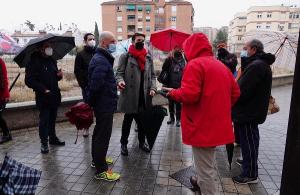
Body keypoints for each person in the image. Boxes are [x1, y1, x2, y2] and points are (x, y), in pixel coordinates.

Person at [164, 33, 240, 195]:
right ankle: (197, 181)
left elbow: (189, 95)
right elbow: (235, 93)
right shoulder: (221, 66)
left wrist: (173, 94)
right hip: (217, 123)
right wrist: (218, 108)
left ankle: (207, 189)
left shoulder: (194, 65)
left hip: (201, 124)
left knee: (206, 170)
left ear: (191, 48)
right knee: (207, 161)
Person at [232, 39, 274, 184]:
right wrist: (245, 64)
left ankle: (250, 174)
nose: (244, 51)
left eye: (246, 48)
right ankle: (248, 163)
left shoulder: (257, 66)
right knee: (250, 140)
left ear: (254, 49)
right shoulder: (258, 64)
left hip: (249, 112)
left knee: (249, 141)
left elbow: (242, 90)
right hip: (251, 111)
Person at [87, 31, 120, 181]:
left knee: (99, 133)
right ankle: (101, 170)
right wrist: (92, 103)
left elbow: (101, 82)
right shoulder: (101, 60)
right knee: (103, 135)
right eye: (113, 42)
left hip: (103, 103)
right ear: (104, 43)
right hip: (103, 104)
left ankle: (97, 159)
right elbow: (95, 85)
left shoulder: (101, 58)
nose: (115, 44)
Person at [116, 33, 157, 156]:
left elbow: (153, 76)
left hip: (144, 96)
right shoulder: (125, 57)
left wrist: (153, 88)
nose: (141, 42)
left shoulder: (148, 57)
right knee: (127, 122)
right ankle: (123, 144)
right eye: (139, 40)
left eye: (143, 40)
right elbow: (119, 73)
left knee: (142, 122)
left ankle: (142, 142)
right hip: (130, 95)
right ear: (133, 42)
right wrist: (120, 81)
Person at [25, 42, 65, 154]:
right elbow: (29, 80)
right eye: (47, 47)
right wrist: (43, 89)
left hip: (54, 95)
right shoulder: (33, 62)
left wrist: (59, 76)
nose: (50, 48)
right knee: (44, 120)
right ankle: (44, 142)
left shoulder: (52, 60)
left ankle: (53, 138)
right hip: (43, 96)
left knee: (52, 119)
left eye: (50, 46)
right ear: (40, 49)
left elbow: (54, 77)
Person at [74, 33, 96, 137]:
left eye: (93, 39)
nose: (92, 40)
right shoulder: (80, 54)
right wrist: (83, 85)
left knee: (98, 107)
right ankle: (86, 128)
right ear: (85, 41)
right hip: (87, 86)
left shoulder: (97, 53)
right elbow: (77, 71)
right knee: (87, 108)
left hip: (98, 85)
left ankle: (98, 126)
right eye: (90, 39)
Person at [160, 47, 185, 127]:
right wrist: (168, 59)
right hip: (169, 84)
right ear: (173, 50)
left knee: (178, 104)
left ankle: (178, 119)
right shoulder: (169, 60)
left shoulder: (183, 60)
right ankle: (171, 118)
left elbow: (184, 70)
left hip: (179, 85)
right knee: (170, 102)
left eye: (179, 49)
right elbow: (163, 69)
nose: (178, 51)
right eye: (176, 49)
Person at [0, 57, 11, 144]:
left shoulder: (1, 62)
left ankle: (6, 134)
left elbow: (4, 79)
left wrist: (6, 95)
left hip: (1, 96)